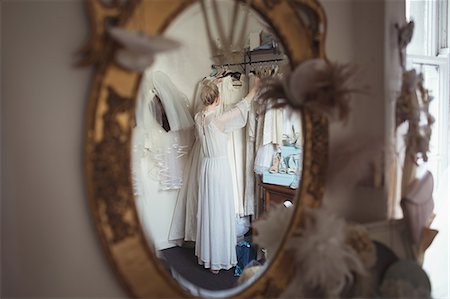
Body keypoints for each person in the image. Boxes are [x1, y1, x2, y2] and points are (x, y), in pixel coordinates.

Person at [194, 78, 260, 274]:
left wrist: (212, 83)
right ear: (218, 98)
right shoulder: (218, 119)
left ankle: (209, 257)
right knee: (220, 212)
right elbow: (242, 106)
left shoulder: (199, 117)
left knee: (209, 211)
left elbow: (207, 106)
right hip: (219, 168)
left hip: (206, 166)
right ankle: (218, 261)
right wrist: (255, 88)